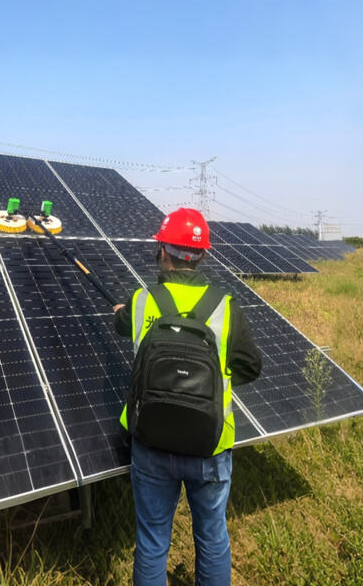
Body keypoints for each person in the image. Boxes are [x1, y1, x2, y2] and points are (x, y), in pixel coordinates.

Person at [113, 208, 262, 586]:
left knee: (151, 542)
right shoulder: (225, 308)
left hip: (151, 443)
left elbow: (121, 323)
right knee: (212, 540)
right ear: (203, 255)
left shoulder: (141, 302)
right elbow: (250, 366)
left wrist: (124, 311)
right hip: (209, 445)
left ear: (162, 251)